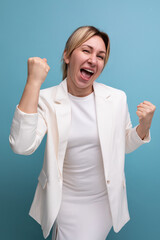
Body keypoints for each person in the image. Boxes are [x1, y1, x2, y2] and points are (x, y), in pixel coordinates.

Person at [9, 26, 156, 240]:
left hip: (103, 202)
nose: (93, 60)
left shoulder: (116, 98)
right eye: (86, 51)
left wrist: (145, 126)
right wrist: (33, 82)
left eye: (100, 56)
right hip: (64, 201)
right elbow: (22, 146)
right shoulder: (46, 99)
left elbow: (122, 145)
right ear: (67, 55)